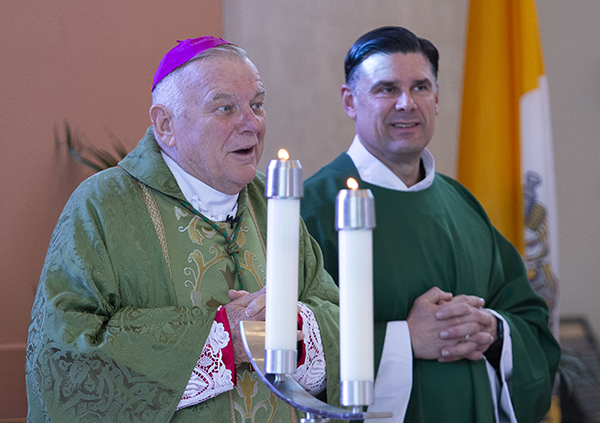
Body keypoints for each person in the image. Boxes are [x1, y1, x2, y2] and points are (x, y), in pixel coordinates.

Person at [26, 36, 340, 422]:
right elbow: (65, 357)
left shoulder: (273, 200)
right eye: (225, 108)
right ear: (165, 124)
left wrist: (296, 327)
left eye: (257, 104)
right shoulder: (103, 205)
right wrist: (223, 340)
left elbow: (333, 314)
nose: (252, 124)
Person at [301, 26, 561, 423]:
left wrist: (492, 330)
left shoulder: (462, 205)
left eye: (421, 87)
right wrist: (403, 340)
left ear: (437, 99)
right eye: (387, 89)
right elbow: (294, 347)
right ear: (350, 101)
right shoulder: (312, 209)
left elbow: (529, 317)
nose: (407, 103)